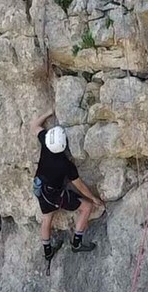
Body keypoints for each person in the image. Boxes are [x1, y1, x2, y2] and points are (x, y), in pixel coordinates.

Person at [30, 112, 104, 262]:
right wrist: (93, 198)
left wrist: (48, 113)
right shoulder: (65, 165)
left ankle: (47, 251)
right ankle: (76, 243)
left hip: (40, 187)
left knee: (47, 218)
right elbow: (80, 186)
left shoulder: (45, 141)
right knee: (87, 207)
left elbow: (34, 126)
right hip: (54, 195)